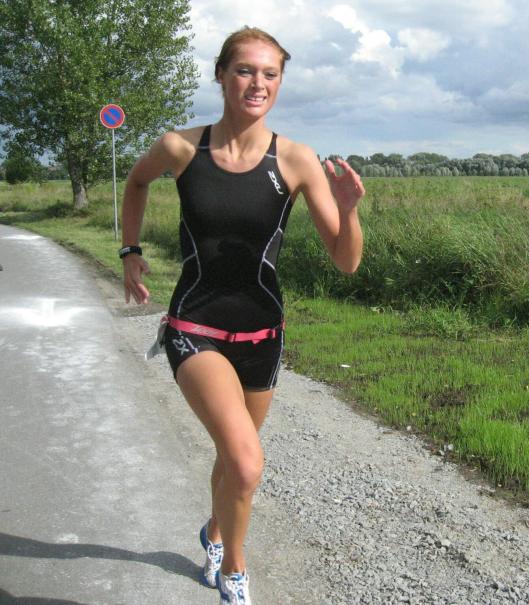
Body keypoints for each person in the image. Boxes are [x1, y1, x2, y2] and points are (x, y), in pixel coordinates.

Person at [120, 26, 364, 605]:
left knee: (235, 458)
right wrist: (130, 251)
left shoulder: (296, 159)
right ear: (221, 75)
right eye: (245, 70)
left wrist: (350, 210)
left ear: (280, 82)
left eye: (270, 73)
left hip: (262, 335)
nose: (258, 83)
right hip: (194, 328)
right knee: (248, 463)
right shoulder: (181, 148)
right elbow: (136, 182)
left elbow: (346, 260)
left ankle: (213, 530)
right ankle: (233, 569)